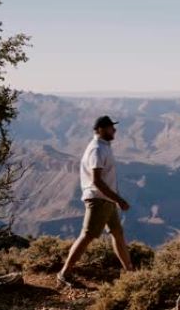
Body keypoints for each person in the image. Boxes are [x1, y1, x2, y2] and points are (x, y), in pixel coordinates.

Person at [57, 115, 133, 287]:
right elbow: (97, 181)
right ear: (100, 129)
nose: (114, 130)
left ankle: (131, 273)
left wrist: (114, 199)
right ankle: (64, 273)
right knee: (87, 235)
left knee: (117, 234)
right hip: (99, 199)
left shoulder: (104, 147)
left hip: (107, 200)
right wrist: (119, 200)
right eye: (110, 127)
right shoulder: (97, 149)